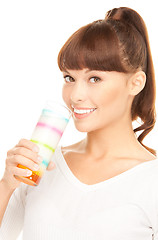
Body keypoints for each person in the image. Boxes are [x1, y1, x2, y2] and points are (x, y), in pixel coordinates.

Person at [0, 6, 157, 240]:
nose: (75, 96)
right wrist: (6, 186)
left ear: (136, 83)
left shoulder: (151, 181)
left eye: (95, 78)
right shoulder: (38, 167)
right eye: (69, 78)